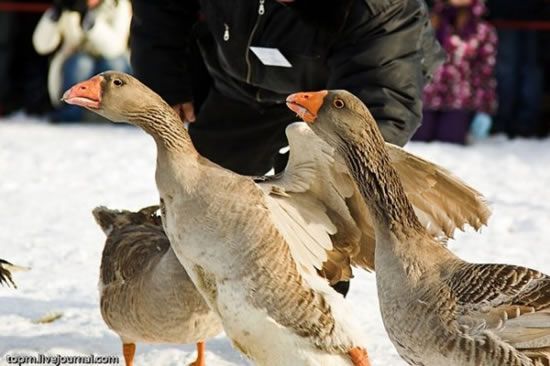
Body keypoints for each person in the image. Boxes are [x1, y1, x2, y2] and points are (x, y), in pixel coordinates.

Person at [131, 0, 445, 177]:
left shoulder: (381, 6)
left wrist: (335, 174)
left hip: (332, 95)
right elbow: (161, 10)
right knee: (202, 190)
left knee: (322, 202)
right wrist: (165, 77)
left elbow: (380, 99)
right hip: (238, 84)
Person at [413, 0, 497, 145]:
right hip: (425, 97)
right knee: (417, 142)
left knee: (450, 140)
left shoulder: (482, 29)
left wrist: (485, 109)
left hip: (459, 101)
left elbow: (485, 73)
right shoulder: (427, 21)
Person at [33, 0, 131, 122]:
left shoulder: (119, 5)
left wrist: (90, 22)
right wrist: (54, 14)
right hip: (77, 65)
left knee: (113, 64)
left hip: (110, 61)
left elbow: (115, 48)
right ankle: (71, 112)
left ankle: (120, 113)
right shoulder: (68, 7)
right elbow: (41, 46)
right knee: (81, 62)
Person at [487, 0, 545, 138]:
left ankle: (505, 122)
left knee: (510, 69)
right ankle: (524, 123)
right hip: (531, 13)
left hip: (509, 13)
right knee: (528, 69)